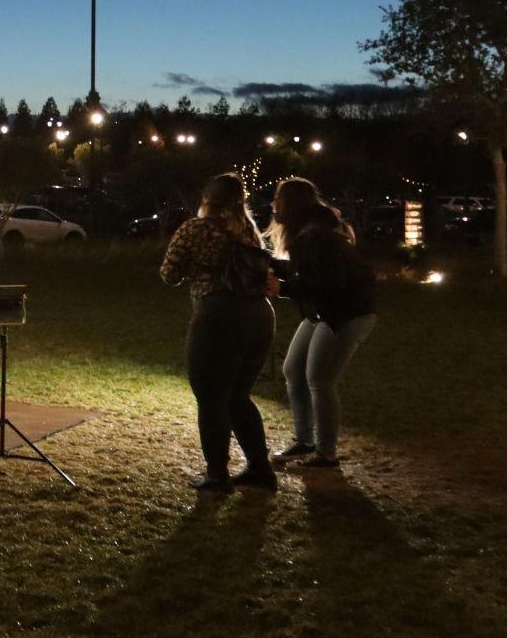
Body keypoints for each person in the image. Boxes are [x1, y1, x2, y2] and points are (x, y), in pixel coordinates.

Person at [160, 173, 277, 491]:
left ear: (206, 199)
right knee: (238, 396)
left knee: (211, 397)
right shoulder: (248, 231)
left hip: (217, 317)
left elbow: (169, 273)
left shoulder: (195, 229)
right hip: (259, 317)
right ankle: (260, 468)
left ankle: (217, 474)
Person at [266, 177, 378, 470]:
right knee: (293, 369)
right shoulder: (311, 232)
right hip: (324, 311)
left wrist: (283, 288)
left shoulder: (316, 236)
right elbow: (309, 272)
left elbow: (329, 284)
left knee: (320, 379)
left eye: (278, 198)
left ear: (291, 204)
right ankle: (304, 440)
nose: (273, 204)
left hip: (346, 314)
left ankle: (326, 454)